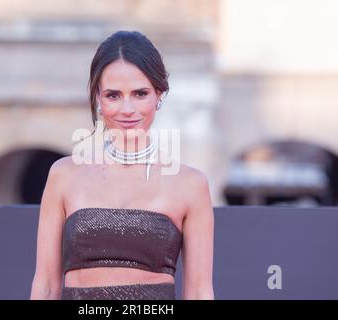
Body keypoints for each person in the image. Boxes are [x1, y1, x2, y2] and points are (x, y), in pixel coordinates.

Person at [30, 30, 214, 300]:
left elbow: (199, 292)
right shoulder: (64, 176)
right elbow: (45, 286)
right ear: (98, 98)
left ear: (159, 95)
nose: (127, 109)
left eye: (140, 93)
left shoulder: (190, 184)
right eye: (114, 95)